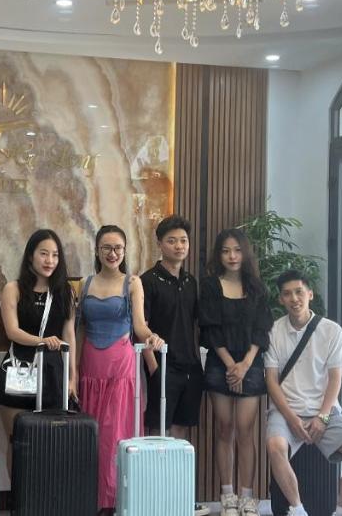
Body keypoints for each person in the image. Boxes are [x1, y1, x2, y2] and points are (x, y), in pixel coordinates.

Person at [76, 225, 165, 515]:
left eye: (118, 248)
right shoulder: (84, 283)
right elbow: (79, 330)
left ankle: (116, 500)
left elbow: (139, 325)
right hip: (91, 365)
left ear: (125, 252)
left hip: (122, 366)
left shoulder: (132, 283)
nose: (112, 253)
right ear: (97, 250)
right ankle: (93, 499)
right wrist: (73, 371)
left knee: (115, 433)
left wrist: (152, 337)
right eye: (106, 247)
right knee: (92, 433)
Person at [264, 270, 342, 516]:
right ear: (280, 299)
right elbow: (271, 381)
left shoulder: (331, 330)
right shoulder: (274, 331)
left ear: (310, 294)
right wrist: (292, 418)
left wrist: (322, 416)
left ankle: (341, 511)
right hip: (286, 411)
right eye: (287, 294)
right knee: (275, 446)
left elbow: (335, 378)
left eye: (299, 292)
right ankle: (297, 509)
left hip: (325, 411)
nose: (294, 298)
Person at [0, 229, 78, 475]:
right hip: (19, 370)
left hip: (53, 374)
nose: (50, 260)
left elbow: (69, 335)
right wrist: (42, 341)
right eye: (43, 254)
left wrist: (73, 377)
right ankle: (19, 495)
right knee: (18, 442)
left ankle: (43, 494)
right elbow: (12, 331)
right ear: (30, 256)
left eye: (55, 255)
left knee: (49, 443)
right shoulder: (13, 288)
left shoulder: (65, 291)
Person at [199, 228, 272, 516]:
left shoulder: (257, 287)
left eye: (237, 250)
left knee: (245, 430)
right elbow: (210, 329)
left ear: (245, 253)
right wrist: (231, 365)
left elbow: (262, 329)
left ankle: (248, 497)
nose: (232, 256)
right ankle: (227, 496)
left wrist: (244, 364)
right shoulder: (210, 286)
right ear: (219, 254)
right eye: (226, 250)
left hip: (251, 365)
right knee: (225, 428)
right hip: (220, 364)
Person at [139, 216, 208, 516]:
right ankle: (156, 498)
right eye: (172, 241)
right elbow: (140, 328)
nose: (179, 246)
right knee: (159, 432)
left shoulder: (191, 282)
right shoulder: (148, 281)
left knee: (181, 433)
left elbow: (196, 325)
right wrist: (154, 368)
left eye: (183, 241)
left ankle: (178, 496)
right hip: (162, 367)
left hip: (191, 368)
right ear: (160, 244)